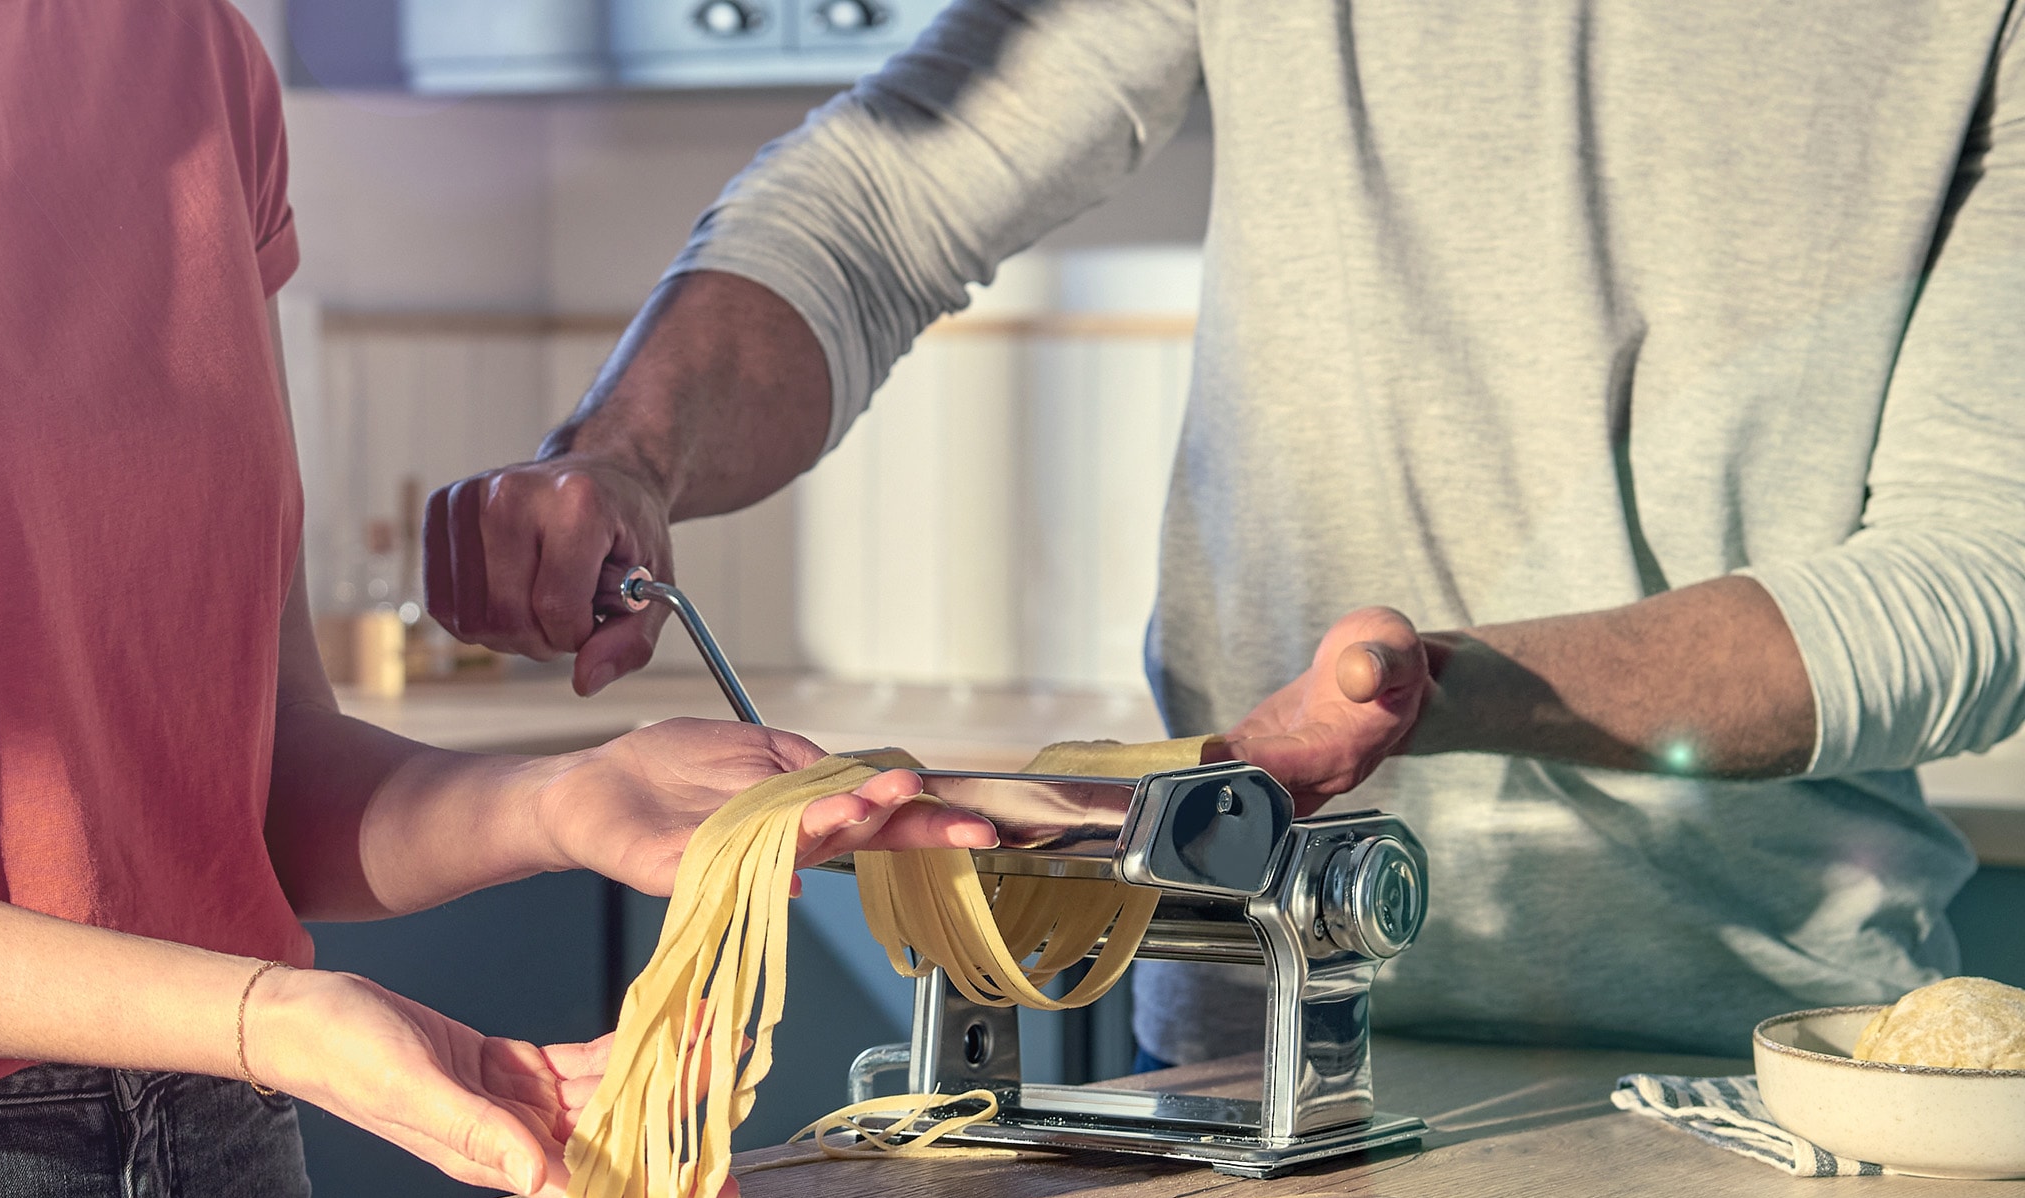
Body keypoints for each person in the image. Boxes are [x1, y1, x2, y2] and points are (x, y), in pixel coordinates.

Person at [424, 2, 2025, 1065]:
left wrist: (1428, 695)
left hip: (1768, 1064)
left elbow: (1979, 583)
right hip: (1241, 1033)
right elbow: (878, 203)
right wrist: (624, 451)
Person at [0, 1, 990, 1198]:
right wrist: (267, 1019)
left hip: (225, 1161)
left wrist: (560, 802)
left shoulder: (195, 59)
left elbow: (254, 798)